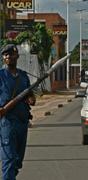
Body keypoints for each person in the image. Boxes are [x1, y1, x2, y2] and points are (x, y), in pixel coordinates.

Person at [0, 44, 36, 179]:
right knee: (8, 159)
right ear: (3, 58)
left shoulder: (23, 76)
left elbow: (30, 94)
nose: (9, 57)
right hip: (7, 122)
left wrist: (31, 99)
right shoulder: (1, 76)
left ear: (17, 56)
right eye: (6, 55)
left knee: (17, 161)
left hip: (22, 121)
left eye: (11, 54)